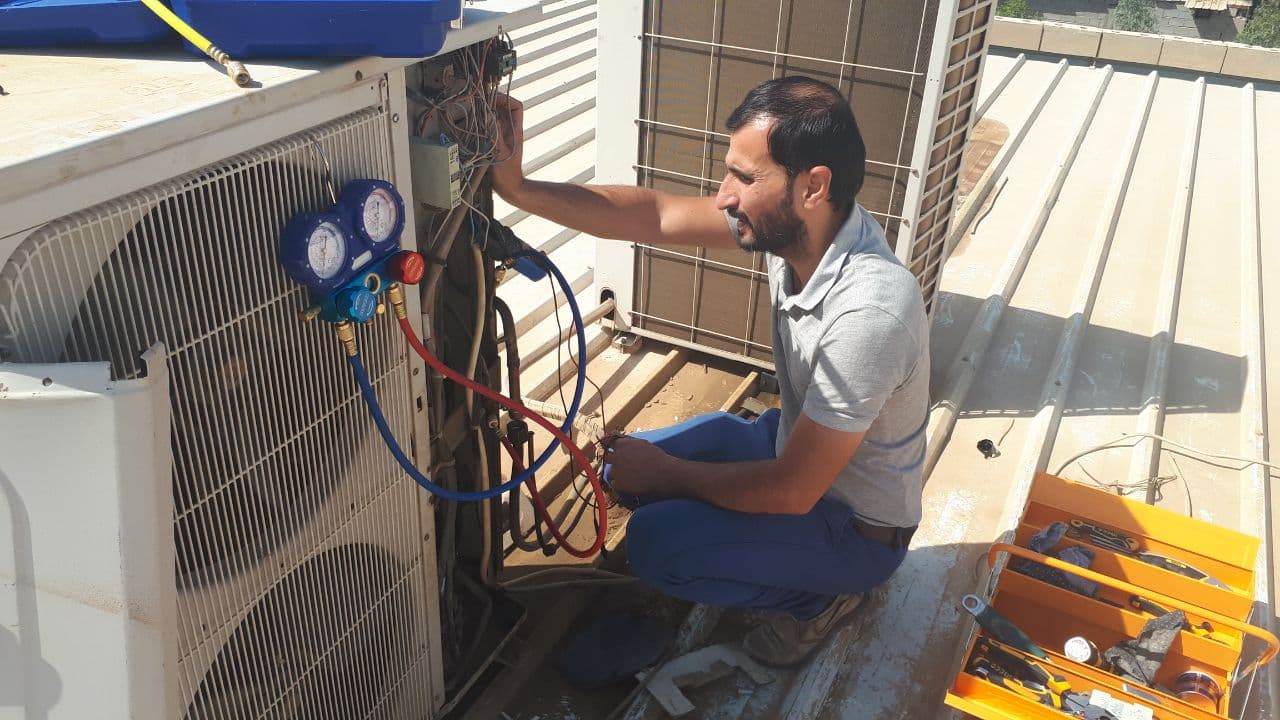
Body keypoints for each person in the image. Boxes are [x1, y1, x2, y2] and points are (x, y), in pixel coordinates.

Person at [491, 76, 929, 668]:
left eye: (745, 178)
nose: (724, 197)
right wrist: (518, 187)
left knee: (655, 543)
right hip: (791, 449)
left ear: (813, 185)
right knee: (624, 469)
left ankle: (817, 600)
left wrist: (670, 475)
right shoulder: (804, 226)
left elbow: (792, 492)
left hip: (852, 526)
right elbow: (657, 214)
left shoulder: (869, 313)